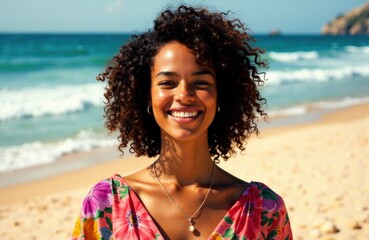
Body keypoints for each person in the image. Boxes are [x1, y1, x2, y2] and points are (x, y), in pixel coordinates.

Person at [71, 5, 292, 240]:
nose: (184, 95)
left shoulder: (264, 209)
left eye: (201, 83)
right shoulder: (104, 204)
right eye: (167, 83)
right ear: (147, 95)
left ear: (221, 95)